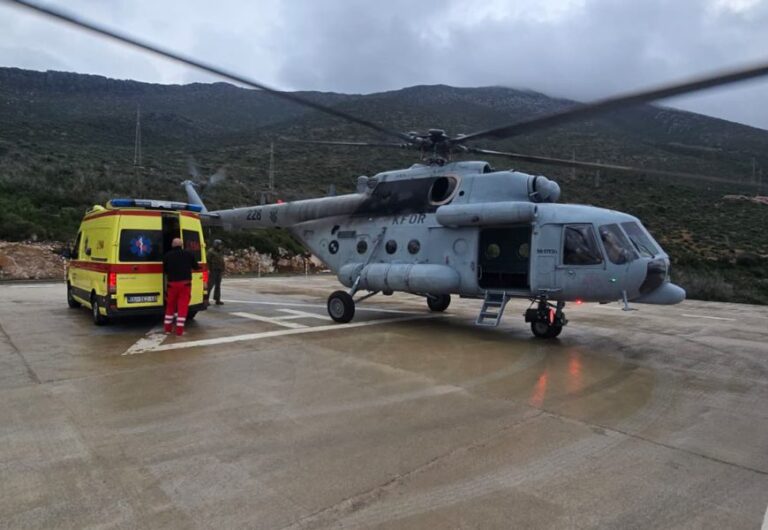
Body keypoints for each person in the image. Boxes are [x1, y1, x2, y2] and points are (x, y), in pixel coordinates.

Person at [163, 237, 200, 336]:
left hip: (172, 284)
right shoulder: (188, 254)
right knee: (182, 307)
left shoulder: (167, 255)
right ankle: (179, 331)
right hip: (185, 284)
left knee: (170, 306)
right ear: (182, 245)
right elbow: (196, 267)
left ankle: (167, 329)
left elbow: (165, 270)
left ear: (172, 245)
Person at [206, 239, 225, 305]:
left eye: (221, 245)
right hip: (213, 271)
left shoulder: (220, 252)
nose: (220, 246)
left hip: (219, 270)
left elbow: (222, 261)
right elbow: (207, 261)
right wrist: (208, 270)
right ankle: (206, 300)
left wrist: (223, 269)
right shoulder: (210, 251)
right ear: (215, 245)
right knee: (210, 286)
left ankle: (217, 299)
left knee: (218, 286)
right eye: (219, 245)